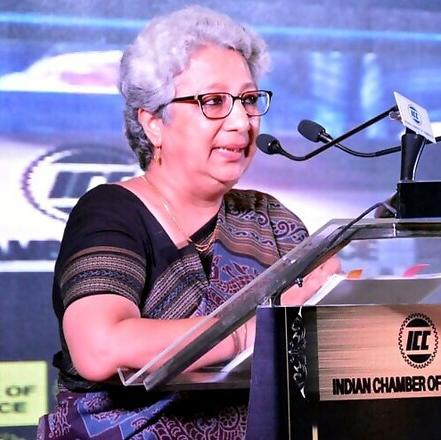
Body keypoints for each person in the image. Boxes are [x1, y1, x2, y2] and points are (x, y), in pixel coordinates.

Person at [36, 5, 339, 439]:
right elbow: (100, 348)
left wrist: (341, 301)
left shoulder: (271, 219)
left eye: (249, 100)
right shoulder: (111, 212)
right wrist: (252, 333)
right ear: (154, 123)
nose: (242, 121)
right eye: (213, 102)